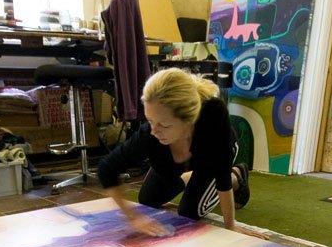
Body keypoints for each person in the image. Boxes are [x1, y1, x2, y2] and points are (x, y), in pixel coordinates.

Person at [97, 68, 250, 236]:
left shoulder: (213, 120)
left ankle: (237, 175)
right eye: (149, 120)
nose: (154, 131)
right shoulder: (150, 133)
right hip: (178, 157)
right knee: (148, 200)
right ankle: (187, 177)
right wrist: (133, 217)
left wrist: (230, 225)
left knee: (189, 212)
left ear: (187, 121)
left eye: (164, 125)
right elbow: (107, 168)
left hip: (211, 158)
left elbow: (221, 175)